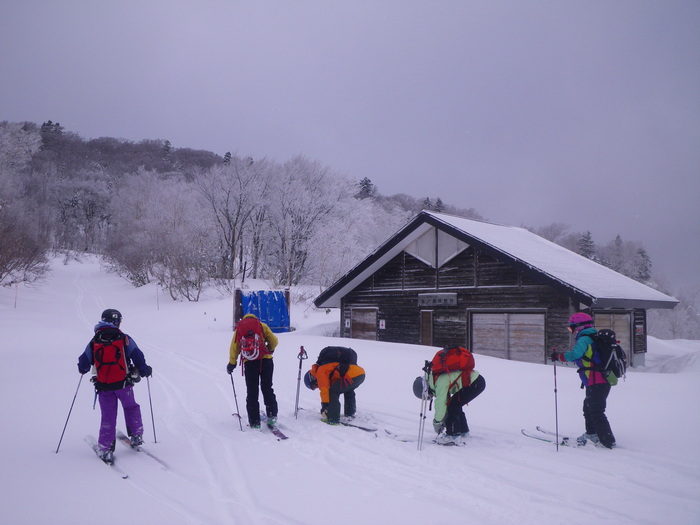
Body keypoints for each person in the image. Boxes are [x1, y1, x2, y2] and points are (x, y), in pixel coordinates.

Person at [77, 308, 152, 464]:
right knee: (131, 407)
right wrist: (144, 371)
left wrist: (83, 369)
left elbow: (83, 364)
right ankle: (137, 435)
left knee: (108, 416)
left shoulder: (95, 340)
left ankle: (106, 449)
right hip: (124, 384)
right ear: (117, 322)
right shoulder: (124, 338)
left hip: (104, 387)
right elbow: (137, 355)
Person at [551, 312, 616, 449]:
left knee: (596, 410)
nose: (571, 331)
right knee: (588, 407)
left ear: (579, 326)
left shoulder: (584, 339)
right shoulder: (593, 337)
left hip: (596, 380)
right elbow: (584, 357)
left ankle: (607, 441)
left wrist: (559, 357)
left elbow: (575, 354)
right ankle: (592, 433)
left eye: (571, 327)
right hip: (600, 380)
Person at [227, 313, 279, 429]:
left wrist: (232, 363)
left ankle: (254, 422)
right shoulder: (261, 325)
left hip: (250, 362)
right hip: (266, 361)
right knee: (267, 388)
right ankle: (272, 417)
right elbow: (274, 341)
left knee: (252, 392)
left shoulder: (239, 329)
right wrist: (270, 349)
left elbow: (234, 347)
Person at [429, 354, 486, 446]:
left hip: (475, 384)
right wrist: (444, 420)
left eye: (429, 395)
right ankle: (463, 432)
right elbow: (445, 403)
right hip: (478, 381)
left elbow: (440, 404)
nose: (431, 396)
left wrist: (437, 422)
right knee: (455, 404)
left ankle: (453, 436)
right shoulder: (437, 376)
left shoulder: (439, 382)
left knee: (453, 405)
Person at [304, 352, 365, 425]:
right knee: (347, 390)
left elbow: (324, 390)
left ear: (312, 379)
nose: (316, 387)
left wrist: (324, 405)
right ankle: (349, 413)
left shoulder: (320, 372)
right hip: (360, 374)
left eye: (314, 386)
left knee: (332, 392)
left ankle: (333, 419)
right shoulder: (324, 369)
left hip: (352, 375)